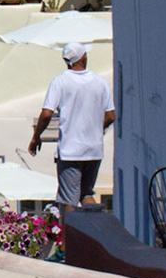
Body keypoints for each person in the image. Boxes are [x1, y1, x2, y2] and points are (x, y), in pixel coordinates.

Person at [28, 42, 115, 209]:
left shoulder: (60, 82)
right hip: (94, 150)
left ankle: (68, 235)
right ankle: (93, 231)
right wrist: (98, 129)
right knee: (86, 194)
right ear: (83, 57)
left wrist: (36, 136)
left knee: (68, 200)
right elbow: (111, 115)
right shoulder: (99, 81)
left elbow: (47, 113)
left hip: (71, 151)